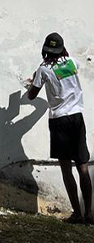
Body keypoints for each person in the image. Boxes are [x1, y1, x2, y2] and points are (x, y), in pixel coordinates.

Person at [27, 32, 93, 225]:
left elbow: (32, 95)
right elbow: (66, 75)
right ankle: (89, 214)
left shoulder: (43, 69)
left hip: (59, 121)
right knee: (83, 167)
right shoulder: (73, 62)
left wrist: (32, 82)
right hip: (77, 118)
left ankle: (77, 214)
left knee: (66, 169)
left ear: (45, 50)